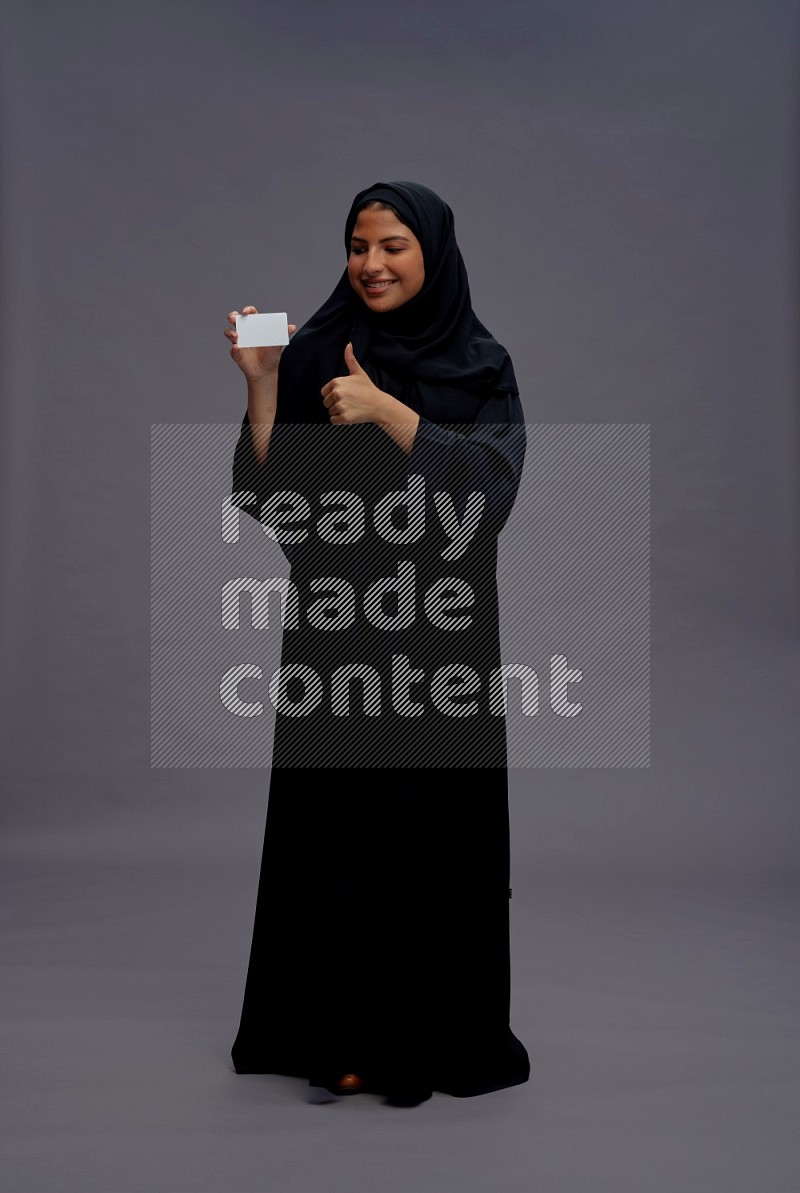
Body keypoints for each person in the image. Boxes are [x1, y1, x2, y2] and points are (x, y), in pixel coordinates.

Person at [224, 180, 530, 1107]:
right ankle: (343, 1037)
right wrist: (267, 380)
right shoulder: (320, 348)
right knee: (341, 834)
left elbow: (493, 497)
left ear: (431, 252)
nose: (372, 263)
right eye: (359, 245)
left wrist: (393, 416)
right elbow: (273, 503)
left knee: (436, 835)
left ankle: (433, 1036)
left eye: (393, 244)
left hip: (442, 636)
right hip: (335, 635)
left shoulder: (482, 364)